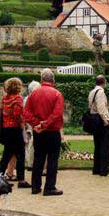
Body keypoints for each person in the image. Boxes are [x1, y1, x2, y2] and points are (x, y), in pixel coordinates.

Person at [23, 68, 64, 196]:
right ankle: (49, 187)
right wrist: (45, 124)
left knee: (38, 158)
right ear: (53, 80)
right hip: (52, 131)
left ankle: (35, 187)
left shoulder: (33, 94)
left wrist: (37, 123)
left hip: (39, 131)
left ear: (41, 80)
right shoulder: (57, 94)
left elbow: (26, 113)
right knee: (52, 160)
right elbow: (57, 114)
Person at [0, 77, 31, 188]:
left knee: (7, 154)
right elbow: (17, 115)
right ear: (18, 87)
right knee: (20, 154)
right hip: (15, 129)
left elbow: (2, 112)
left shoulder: (5, 99)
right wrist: (22, 124)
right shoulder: (18, 99)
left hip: (6, 129)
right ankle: (21, 180)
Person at [88, 75, 109, 176]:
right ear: (104, 82)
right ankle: (104, 169)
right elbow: (101, 108)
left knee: (97, 144)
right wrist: (106, 121)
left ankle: (96, 168)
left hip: (94, 119)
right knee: (105, 145)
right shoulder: (101, 92)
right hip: (100, 120)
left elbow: (90, 105)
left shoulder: (92, 91)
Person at [23, 81, 41, 169]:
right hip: (32, 123)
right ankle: (31, 163)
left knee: (29, 143)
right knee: (31, 143)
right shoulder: (30, 98)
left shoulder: (26, 98)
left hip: (30, 122)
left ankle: (30, 163)